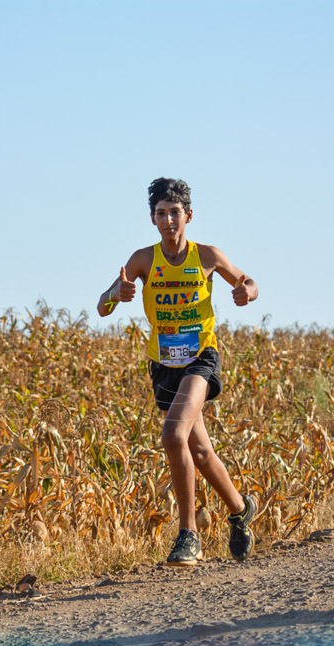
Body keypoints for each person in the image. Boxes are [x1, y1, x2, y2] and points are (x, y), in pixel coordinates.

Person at [97, 177, 259, 566]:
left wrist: (245, 293)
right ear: (152, 219)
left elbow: (248, 281)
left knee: (173, 434)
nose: (168, 220)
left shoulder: (206, 256)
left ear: (189, 215)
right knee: (199, 450)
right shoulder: (142, 259)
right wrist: (115, 296)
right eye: (160, 214)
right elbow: (101, 306)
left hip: (200, 358)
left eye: (175, 212)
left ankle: (189, 535)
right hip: (163, 365)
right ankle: (240, 511)